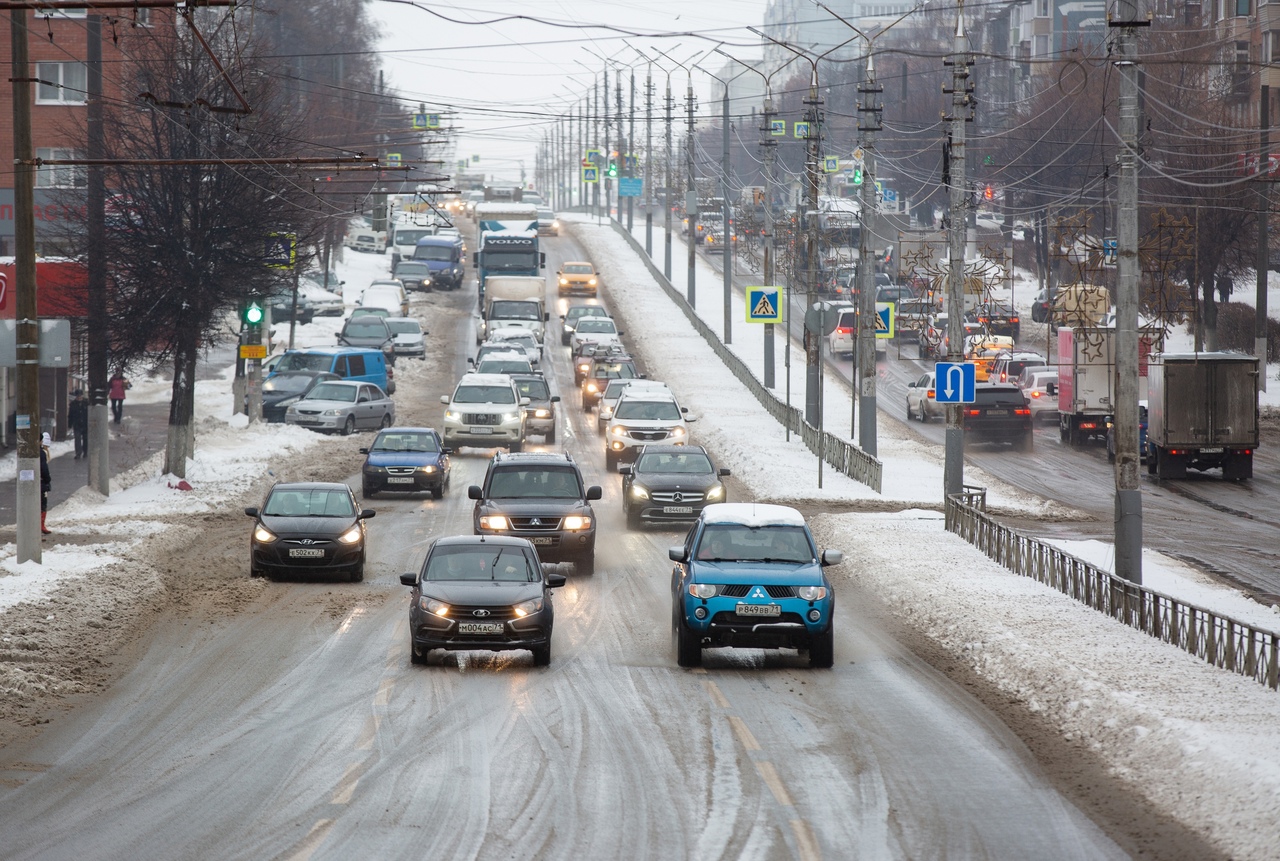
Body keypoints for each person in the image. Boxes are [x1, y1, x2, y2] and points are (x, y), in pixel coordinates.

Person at [67, 389, 89, 459]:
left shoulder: (87, 403)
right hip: (77, 424)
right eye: (78, 396)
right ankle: (78, 453)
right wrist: (70, 424)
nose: (79, 397)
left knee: (86, 439)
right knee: (77, 439)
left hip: (85, 424)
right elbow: (70, 415)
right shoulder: (73, 404)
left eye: (80, 396)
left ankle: (85, 452)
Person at [40, 432, 52, 535]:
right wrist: (48, 479)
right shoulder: (42, 453)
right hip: (41, 483)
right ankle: (41, 525)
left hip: (36, 481)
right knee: (43, 504)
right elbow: (44, 469)